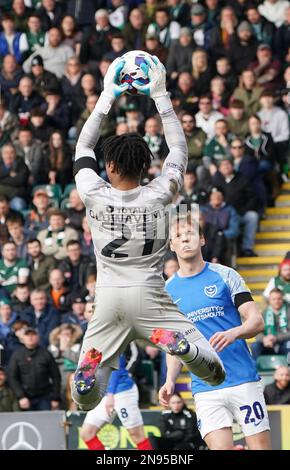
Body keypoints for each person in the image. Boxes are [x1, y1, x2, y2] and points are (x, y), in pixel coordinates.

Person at [71, 56, 225, 411]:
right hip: (151, 297)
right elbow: (179, 150)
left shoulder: (93, 191)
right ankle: (182, 348)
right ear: (145, 166)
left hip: (108, 298)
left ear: (108, 166)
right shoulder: (161, 192)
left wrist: (107, 96)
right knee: (213, 372)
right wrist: (161, 96)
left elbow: (81, 149)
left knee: (87, 399)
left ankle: (87, 377)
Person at [159, 212, 271, 450]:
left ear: (201, 240)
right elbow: (174, 345)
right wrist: (169, 380)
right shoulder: (167, 292)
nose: (185, 239)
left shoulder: (226, 275)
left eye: (190, 234)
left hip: (243, 380)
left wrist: (234, 333)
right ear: (171, 245)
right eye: (178, 236)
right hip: (205, 387)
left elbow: (256, 321)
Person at [80, 344, 153, 451]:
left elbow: (115, 369)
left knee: (136, 435)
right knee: (87, 433)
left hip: (123, 391)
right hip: (103, 392)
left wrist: (110, 395)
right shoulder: (92, 340)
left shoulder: (112, 341)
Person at [8, 327, 61, 411]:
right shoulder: (17, 355)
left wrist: (55, 398)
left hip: (45, 397)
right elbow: (12, 377)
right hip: (25, 397)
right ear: (22, 338)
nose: (30, 337)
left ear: (38, 337)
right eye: (27, 335)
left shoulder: (46, 354)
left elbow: (56, 376)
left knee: (45, 421)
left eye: (33, 334)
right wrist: (21, 396)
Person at [251, 288, 290, 358]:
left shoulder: (288, 312)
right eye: (274, 299)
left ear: (282, 299)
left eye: (279, 299)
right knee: (255, 346)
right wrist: (264, 339)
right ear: (269, 300)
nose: (276, 301)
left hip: (283, 342)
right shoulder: (264, 313)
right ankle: (257, 368)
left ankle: (286, 368)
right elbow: (257, 332)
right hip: (267, 343)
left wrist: (276, 338)